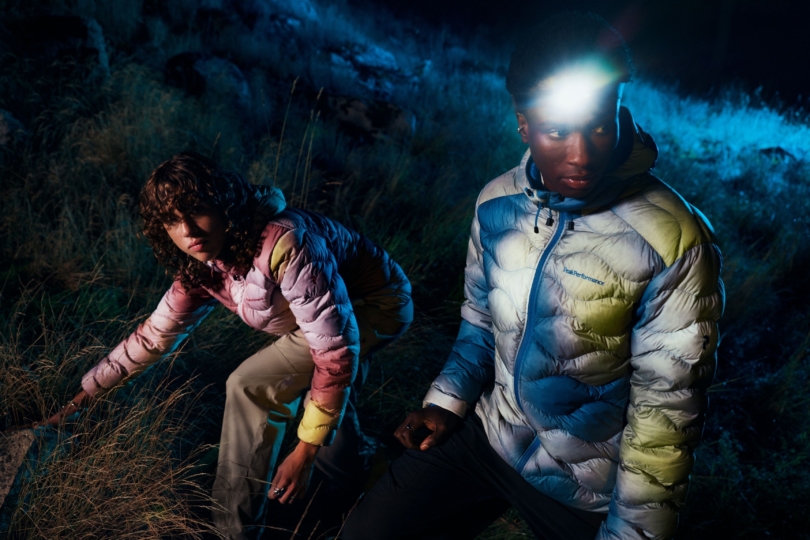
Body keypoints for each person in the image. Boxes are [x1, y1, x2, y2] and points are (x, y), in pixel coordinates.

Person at [342, 11, 724, 540]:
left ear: (619, 111)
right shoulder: (497, 204)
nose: (582, 152)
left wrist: (632, 533)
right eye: (556, 130)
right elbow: (479, 321)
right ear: (523, 123)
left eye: (598, 124)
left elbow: (666, 412)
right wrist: (445, 402)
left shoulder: (673, 240)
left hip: (590, 486)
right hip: (490, 436)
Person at [47, 152, 413, 539]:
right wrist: (75, 405)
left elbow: (335, 352)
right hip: (333, 317)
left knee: (251, 384)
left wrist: (302, 454)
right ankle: (368, 479)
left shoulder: (285, 243)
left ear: (224, 203)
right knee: (319, 397)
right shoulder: (202, 268)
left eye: (197, 210)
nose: (188, 230)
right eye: (173, 220)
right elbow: (151, 339)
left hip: (377, 305)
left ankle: (233, 531)